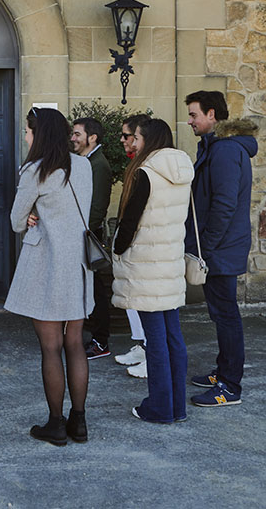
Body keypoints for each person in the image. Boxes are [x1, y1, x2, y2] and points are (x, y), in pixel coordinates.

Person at [5, 108, 93, 446]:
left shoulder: (35, 171)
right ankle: (79, 422)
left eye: (28, 131)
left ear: (38, 133)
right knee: (75, 344)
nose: (26, 136)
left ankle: (56, 424)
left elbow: (16, 221)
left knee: (51, 347)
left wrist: (31, 213)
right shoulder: (83, 166)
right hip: (78, 265)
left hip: (47, 265)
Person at [112, 118, 194, 424]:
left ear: (150, 140)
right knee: (173, 337)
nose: (134, 143)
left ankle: (160, 408)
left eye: (137, 138)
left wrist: (117, 249)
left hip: (146, 265)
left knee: (156, 341)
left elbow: (130, 222)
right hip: (169, 262)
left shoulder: (146, 173)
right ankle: (177, 407)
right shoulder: (182, 170)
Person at [185, 90, 258, 407]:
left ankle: (230, 386)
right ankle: (223, 371)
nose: (190, 121)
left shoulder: (226, 150)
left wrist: (206, 247)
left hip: (220, 249)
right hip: (219, 248)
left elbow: (224, 205)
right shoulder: (217, 147)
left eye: (194, 114)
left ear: (211, 114)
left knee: (226, 315)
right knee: (221, 313)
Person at [71, 116, 113, 359]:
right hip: (80, 232)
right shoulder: (84, 161)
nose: (73, 138)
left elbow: (97, 207)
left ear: (92, 137)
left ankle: (100, 341)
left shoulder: (99, 165)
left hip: (88, 235)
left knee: (95, 289)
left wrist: (82, 232)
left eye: (77, 134)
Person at [114, 113, 151, 378]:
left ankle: (151, 352)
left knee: (145, 303)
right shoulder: (135, 164)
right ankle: (141, 345)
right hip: (131, 246)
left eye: (128, 135)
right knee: (132, 301)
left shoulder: (146, 169)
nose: (124, 140)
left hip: (143, 247)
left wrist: (121, 242)